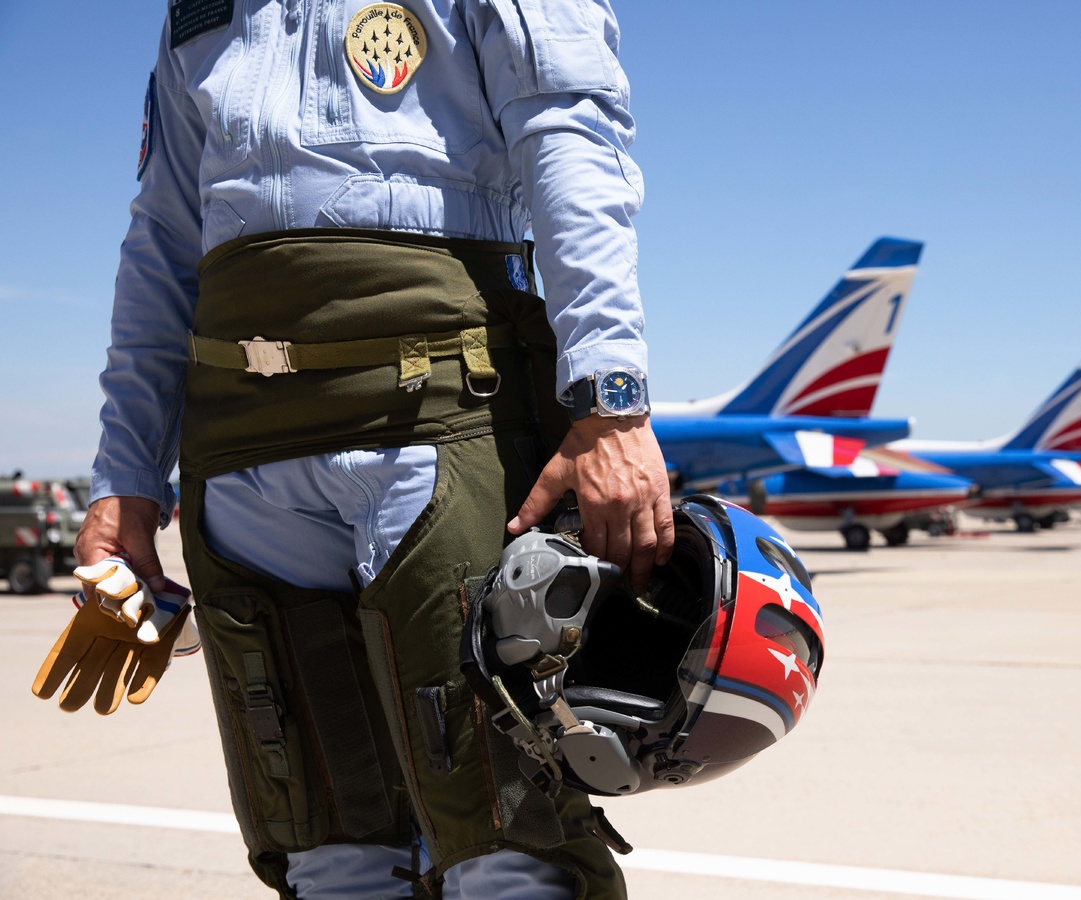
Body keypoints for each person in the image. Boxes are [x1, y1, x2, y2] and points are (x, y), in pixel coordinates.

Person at [74, 1, 670, 897]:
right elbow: (162, 234)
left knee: (507, 836)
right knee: (327, 846)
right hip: (240, 454)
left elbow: (571, 139)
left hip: (438, 418)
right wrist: (126, 476)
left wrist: (610, 401)